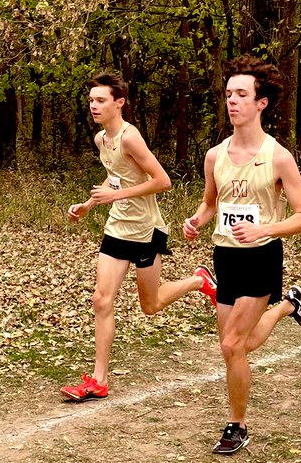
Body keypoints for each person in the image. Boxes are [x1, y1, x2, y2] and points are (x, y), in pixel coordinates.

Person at [183, 58, 301, 455]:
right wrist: (197, 220)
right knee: (240, 343)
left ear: (261, 103)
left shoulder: (278, 157)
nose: (232, 101)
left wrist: (264, 229)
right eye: (229, 94)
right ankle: (288, 306)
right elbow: (210, 203)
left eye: (242, 94)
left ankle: (237, 425)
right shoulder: (214, 156)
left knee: (231, 345)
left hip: (261, 256)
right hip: (225, 256)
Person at [62, 73, 217, 401]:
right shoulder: (101, 139)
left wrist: (115, 196)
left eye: (101, 100)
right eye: (91, 100)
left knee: (151, 305)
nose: (94, 106)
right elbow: (115, 177)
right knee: (101, 299)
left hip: (146, 230)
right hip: (118, 228)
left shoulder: (130, 137)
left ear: (119, 102)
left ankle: (198, 280)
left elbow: (163, 181)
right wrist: (89, 205)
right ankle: (99, 380)